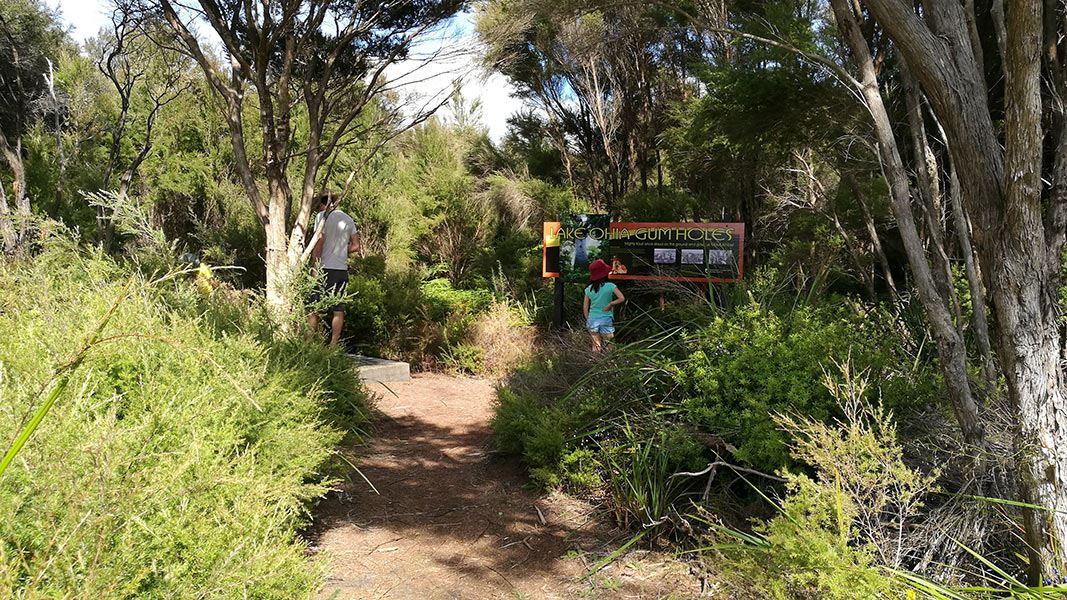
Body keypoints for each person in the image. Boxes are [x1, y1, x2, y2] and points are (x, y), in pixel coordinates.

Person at [307, 192, 360, 346]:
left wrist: (315, 265)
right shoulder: (348, 219)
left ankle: (310, 342)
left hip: (324, 267)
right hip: (341, 269)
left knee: (313, 306)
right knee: (338, 308)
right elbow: (356, 246)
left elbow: (319, 240)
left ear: (322, 205)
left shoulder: (322, 216)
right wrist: (342, 251)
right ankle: (333, 344)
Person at [583, 258, 625, 352]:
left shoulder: (588, 289)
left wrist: (588, 318)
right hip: (606, 318)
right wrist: (610, 304)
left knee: (595, 345)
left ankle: (596, 364)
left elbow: (585, 307)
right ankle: (610, 364)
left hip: (592, 319)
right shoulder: (610, 286)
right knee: (609, 344)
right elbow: (622, 298)